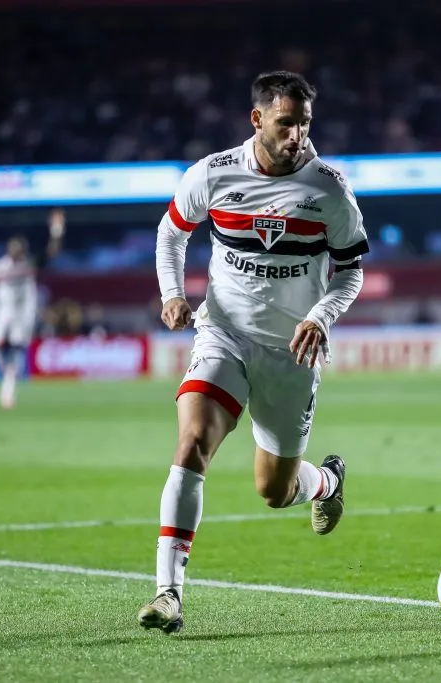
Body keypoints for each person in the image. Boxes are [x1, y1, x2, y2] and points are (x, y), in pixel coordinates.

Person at [139, 71, 369, 634]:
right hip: (224, 333)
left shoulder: (328, 190)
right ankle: (169, 592)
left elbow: (352, 272)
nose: (297, 135)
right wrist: (174, 294)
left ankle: (326, 484)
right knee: (193, 442)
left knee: (274, 490)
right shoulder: (214, 174)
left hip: (292, 353)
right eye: (286, 122)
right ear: (258, 120)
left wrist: (320, 315)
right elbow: (172, 233)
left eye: (305, 123)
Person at [0, 209, 65, 408]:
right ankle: (7, 375)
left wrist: (57, 231)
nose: (17, 251)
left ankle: (8, 391)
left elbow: (51, 253)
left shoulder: (29, 265)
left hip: (21, 315)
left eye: (20, 249)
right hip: (3, 313)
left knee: (16, 352)